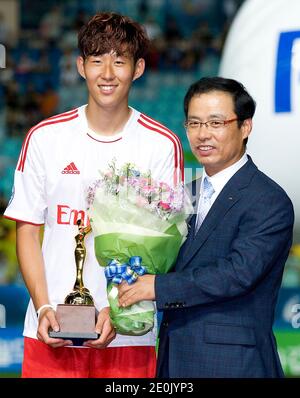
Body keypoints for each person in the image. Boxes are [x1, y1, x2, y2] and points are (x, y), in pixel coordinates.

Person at [4, 12, 183, 378]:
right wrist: (41, 308)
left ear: (139, 69)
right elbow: (28, 230)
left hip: (129, 336)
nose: (107, 73)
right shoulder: (44, 138)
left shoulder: (161, 145)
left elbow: (166, 244)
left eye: (119, 61)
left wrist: (117, 310)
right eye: (97, 60)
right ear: (80, 66)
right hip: (50, 330)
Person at [118, 77, 294, 378]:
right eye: (194, 123)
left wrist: (156, 286)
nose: (203, 135)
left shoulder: (269, 200)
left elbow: (238, 273)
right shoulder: (183, 194)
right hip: (174, 358)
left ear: (245, 127)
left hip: (234, 364)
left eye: (216, 123)